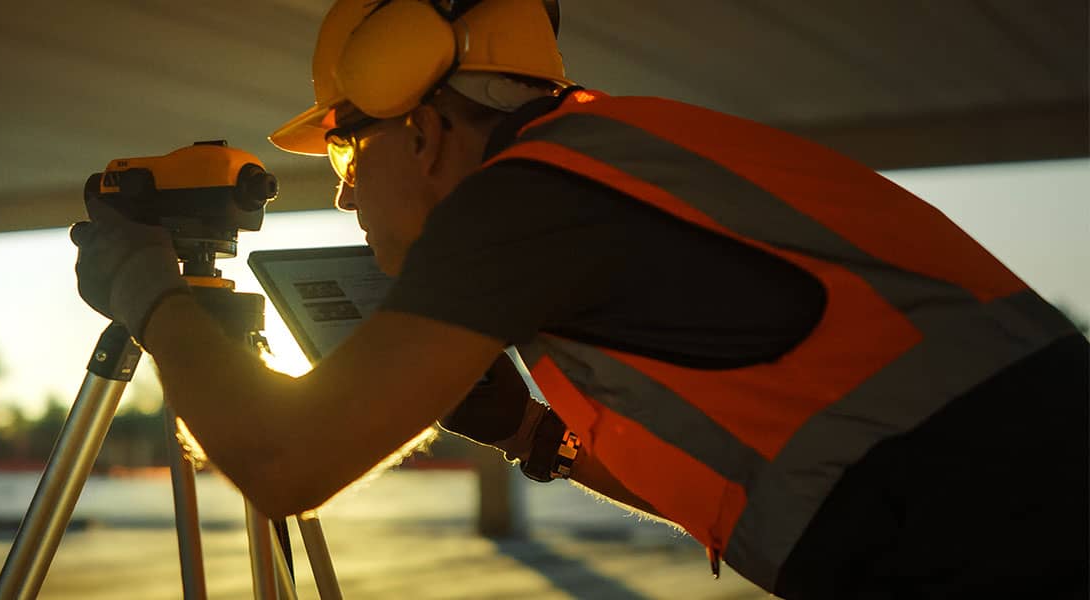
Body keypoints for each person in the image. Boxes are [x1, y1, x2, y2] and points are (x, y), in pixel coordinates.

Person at [69, 0, 1088, 597]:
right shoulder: (617, 158)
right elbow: (785, 459)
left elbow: (284, 464)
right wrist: (522, 427)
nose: (337, 186)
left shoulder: (521, 202)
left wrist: (146, 291)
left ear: (422, 133)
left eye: (344, 145)